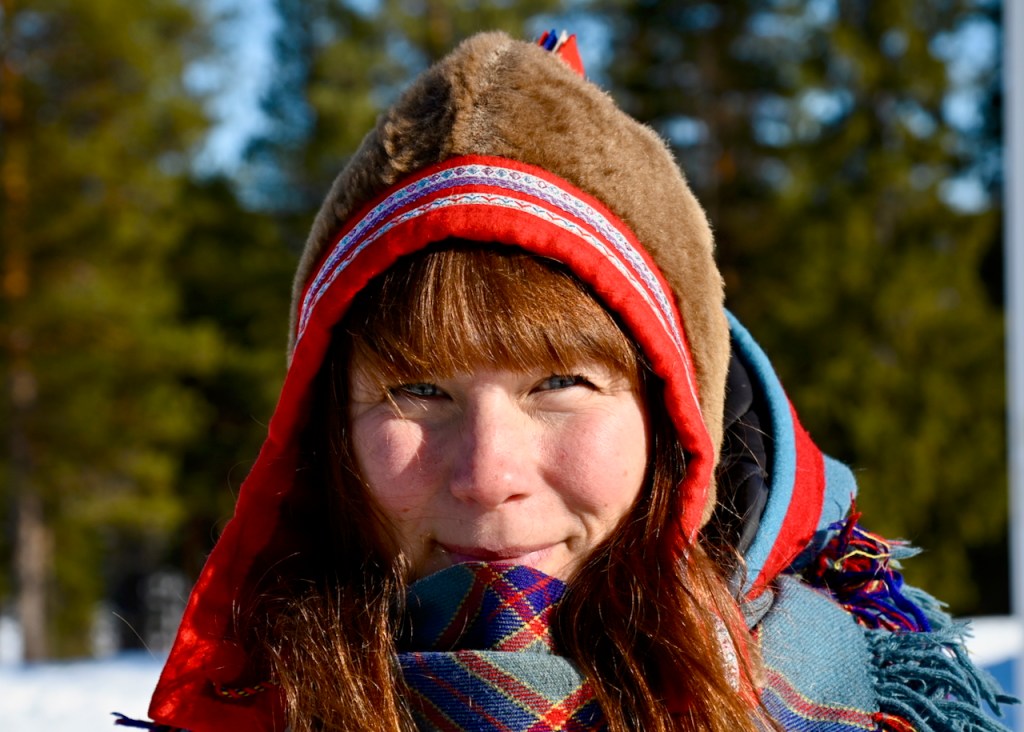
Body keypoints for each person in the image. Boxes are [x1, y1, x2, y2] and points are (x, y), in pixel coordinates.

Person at [124, 31, 1013, 732]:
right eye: (417, 392)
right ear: (328, 432)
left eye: (559, 384)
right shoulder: (251, 705)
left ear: (674, 422)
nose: (487, 474)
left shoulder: (858, 704)